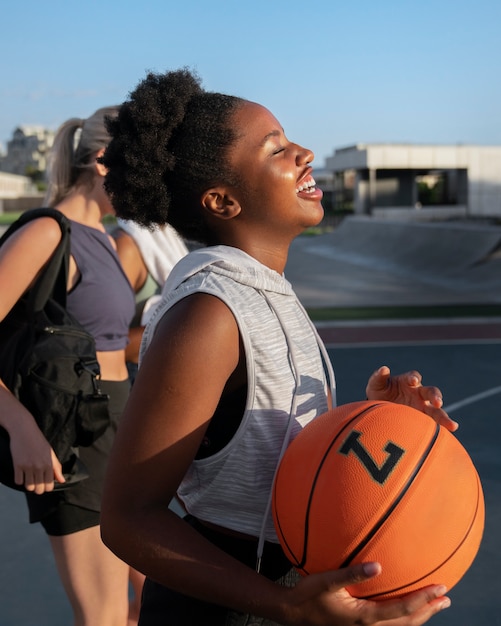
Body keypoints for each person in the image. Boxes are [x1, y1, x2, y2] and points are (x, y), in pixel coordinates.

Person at [99, 69, 457, 626]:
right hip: (230, 601)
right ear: (222, 200)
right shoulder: (209, 314)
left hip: (281, 589)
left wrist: (375, 421)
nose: (305, 152)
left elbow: (263, 455)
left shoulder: (264, 292)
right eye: (279, 150)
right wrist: (282, 604)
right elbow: (129, 517)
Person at [0, 107, 142, 626]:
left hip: (123, 426)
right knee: (103, 616)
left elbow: (109, 342)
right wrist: (22, 429)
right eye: (143, 169)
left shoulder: (106, 238)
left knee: (150, 604)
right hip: (74, 439)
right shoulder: (47, 233)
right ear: (105, 163)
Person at [113, 219, 189, 380]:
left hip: (159, 368)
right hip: (134, 376)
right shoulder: (127, 247)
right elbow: (104, 345)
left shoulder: (167, 236)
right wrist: (170, 326)